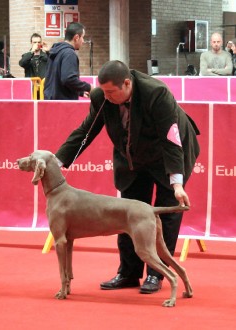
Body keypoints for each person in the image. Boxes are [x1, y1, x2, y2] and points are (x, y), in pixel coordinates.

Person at [55, 60, 200, 294]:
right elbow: (85, 131)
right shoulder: (102, 97)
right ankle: (129, 273)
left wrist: (177, 184)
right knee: (125, 211)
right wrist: (57, 162)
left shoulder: (156, 93)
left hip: (169, 152)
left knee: (166, 213)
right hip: (131, 155)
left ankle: (157, 274)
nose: (107, 96)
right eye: (104, 91)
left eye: (111, 92)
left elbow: (171, 139)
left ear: (127, 83)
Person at [43, 22, 91, 100]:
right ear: (76, 37)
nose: (83, 41)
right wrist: (88, 87)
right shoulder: (69, 54)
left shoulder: (55, 51)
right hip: (63, 104)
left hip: (50, 100)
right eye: (83, 37)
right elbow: (68, 79)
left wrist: (80, 92)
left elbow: (58, 80)